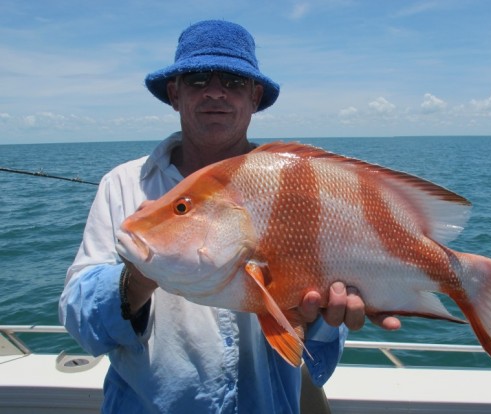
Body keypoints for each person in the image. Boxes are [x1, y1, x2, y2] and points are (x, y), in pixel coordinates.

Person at [59, 20, 401, 413]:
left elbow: (313, 348)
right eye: (199, 79)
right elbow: (81, 323)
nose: (216, 92)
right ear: (174, 93)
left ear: (254, 97)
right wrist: (136, 278)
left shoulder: (295, 185)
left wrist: (324, 317)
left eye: (235, 82)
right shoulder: (123, 184)